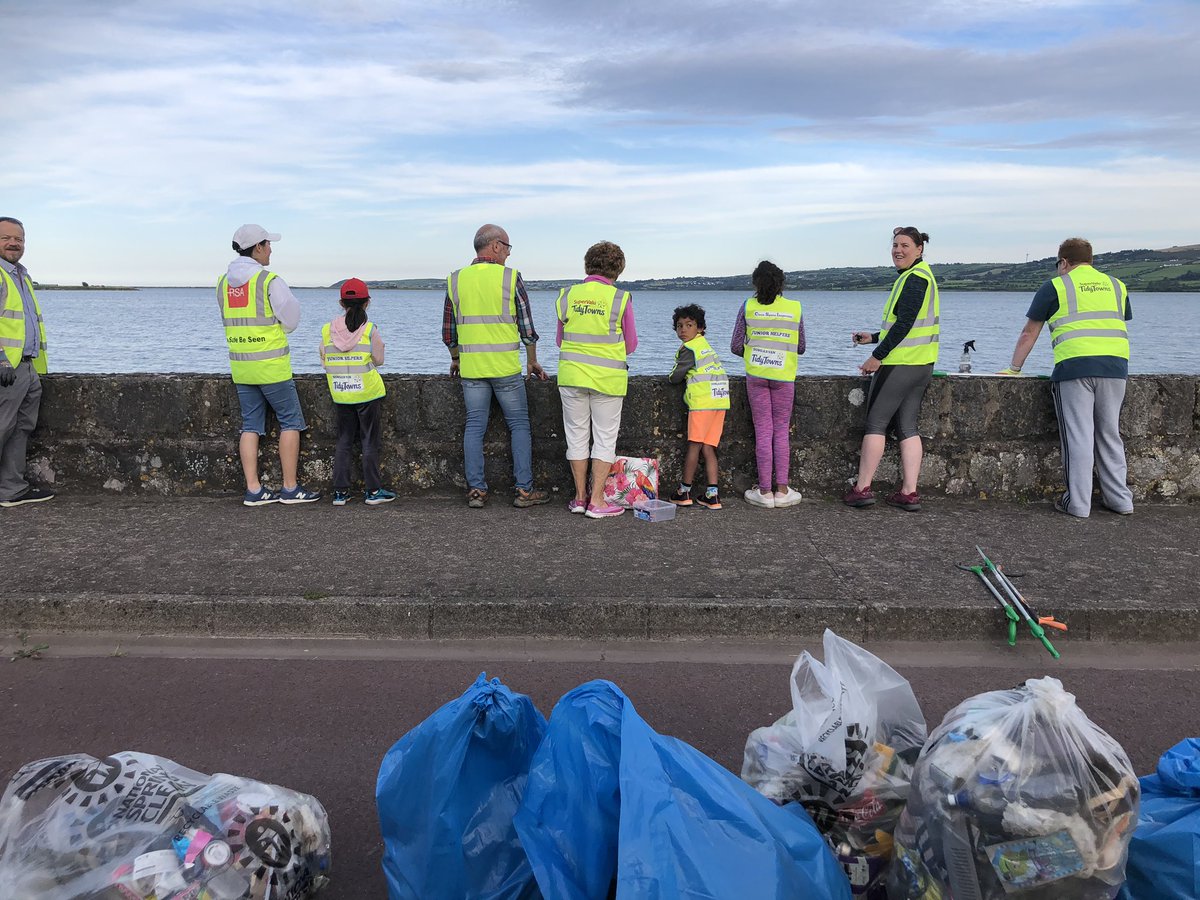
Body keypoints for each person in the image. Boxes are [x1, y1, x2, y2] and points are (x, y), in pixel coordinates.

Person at [999, 237, 1134, 517]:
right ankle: (1120, 500)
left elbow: (1029, 332)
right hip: (1116, 368)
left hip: (1074, 369)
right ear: (1091, 261)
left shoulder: (1056, 286)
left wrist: (1014, 368)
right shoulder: (1117, 286)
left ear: (1063, 262)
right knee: (1109, 434)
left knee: (1078, 436)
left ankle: (1078, 503)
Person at [443, 224, 551, 509]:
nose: (508, 254)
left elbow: (449, 331)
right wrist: (531, 361)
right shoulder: (510, 277)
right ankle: (524, 491)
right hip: (505, 369)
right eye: (508, 248)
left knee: (474, 427)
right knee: (519, 426)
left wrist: (456, 358)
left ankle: (476, 491)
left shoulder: (455, 280)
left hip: (472, 370)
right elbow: (527, 328)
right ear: (495, 246)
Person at [219, 224, 321, 506]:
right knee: (291, 421)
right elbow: (291, 319)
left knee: (250, 425)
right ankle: (290, 487)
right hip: (271, 365)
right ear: (258, 248)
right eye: (268, 244)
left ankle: (254, 490)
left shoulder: (222, 283)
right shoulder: (268, 281)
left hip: (241, 366)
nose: (271, 249)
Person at [845, 226, 940, 512]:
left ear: (919, 249)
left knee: (875, 424)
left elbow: (904, 324)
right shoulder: (922, 276)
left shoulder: (914, 279)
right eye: (895, 245)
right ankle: (909, 493)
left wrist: (877, 355)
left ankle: (862, 488)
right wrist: (873, 337)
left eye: (905, 245)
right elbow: (906, 327)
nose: (898, 250)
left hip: (900, 364)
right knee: (908, 426)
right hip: (922, 364)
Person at [555, 241, 637, 519]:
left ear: (587, 264)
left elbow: (559, 340)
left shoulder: (567, 295)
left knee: (576, 436)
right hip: (608, 379)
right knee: (604, 438)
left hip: (572, 375)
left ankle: (579, 498)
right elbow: (631, 344)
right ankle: (597, 500)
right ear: (618, 269)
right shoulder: (620, 298)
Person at [731, 260, 805, 509]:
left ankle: (764, 492)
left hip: (757, 374)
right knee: (781, 429)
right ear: (781, 283)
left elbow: (735, 345)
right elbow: (801, 346)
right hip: (784, 375)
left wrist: (756, 354)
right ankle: (782, 491)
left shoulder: (748, 306)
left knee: (763, 430)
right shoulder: (795, 308)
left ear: (755, 283)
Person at [321, 277, 395, 507]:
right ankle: (373, 491)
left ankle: (340, 493)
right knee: (369, 441)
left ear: (341, 303)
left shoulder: (327, 330)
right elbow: (379, 360)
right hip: (367, 393)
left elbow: (324, 361)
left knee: (343, 441)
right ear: (367, 303)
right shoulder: (370, 329)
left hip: (341, 392)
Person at [0, 216, 53, 508]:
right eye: (6, 238)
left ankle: (11, 488)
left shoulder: (20, 274)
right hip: (5, 369)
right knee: (2, 426)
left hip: (27, 366)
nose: (13, 243)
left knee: (21, 427)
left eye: (18, 239)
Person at [668, 304, 729, 509]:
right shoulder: (705, 346)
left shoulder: (690, 349)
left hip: (702, 402)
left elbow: (676, 376)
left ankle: (684, 491)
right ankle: (713, 495)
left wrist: (670, 378)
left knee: (694, 446)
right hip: (719, 400)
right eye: (679, 326)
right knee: (709, 448)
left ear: (700, 328)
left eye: (689, 325)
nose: (683, 329)